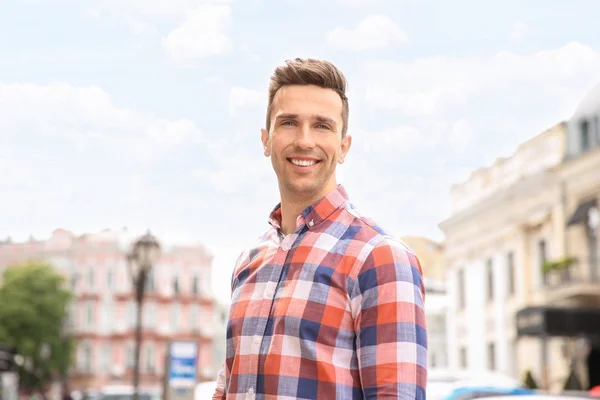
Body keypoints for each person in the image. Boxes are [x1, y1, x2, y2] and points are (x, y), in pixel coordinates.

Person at [213, 58, 427, 399]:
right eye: (288, 123)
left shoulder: (380, 258)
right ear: (266, 140)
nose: (304, 140)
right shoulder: (248, 263)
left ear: (344, 146)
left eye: (322, 126)